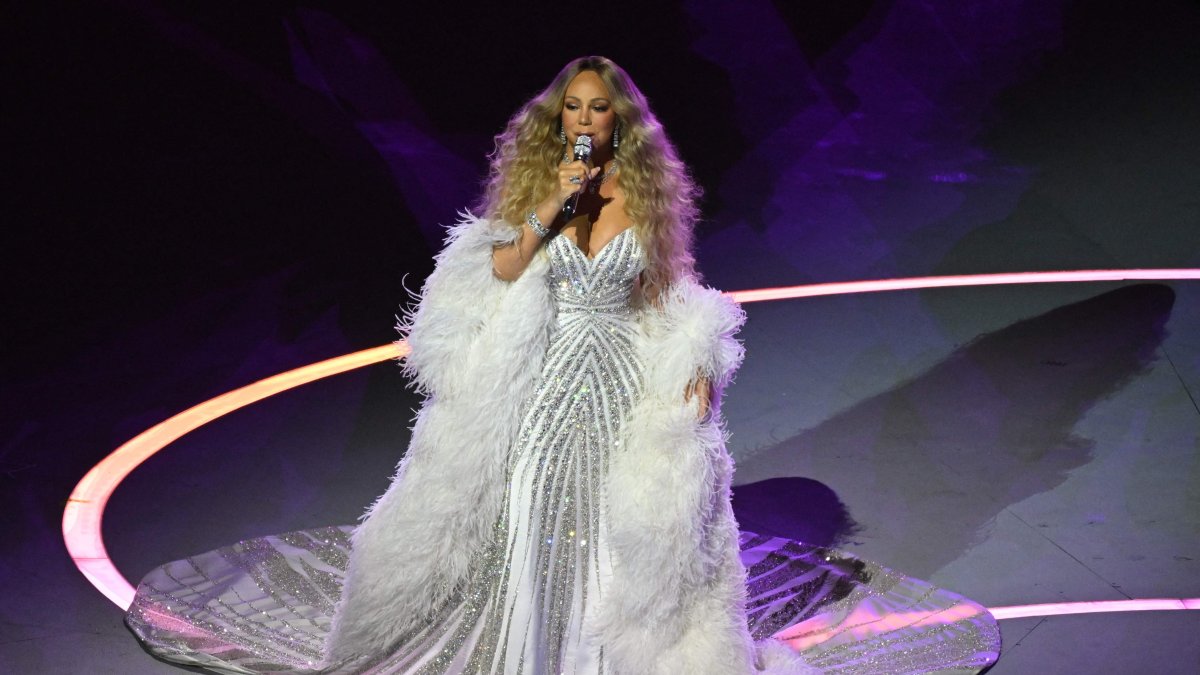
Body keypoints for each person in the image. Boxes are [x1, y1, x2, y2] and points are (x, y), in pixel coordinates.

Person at [126, 57, 1001, 674]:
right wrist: (555, 204)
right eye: (572, 109)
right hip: (544, 378)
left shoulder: (650, 199)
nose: (585, 120)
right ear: (559, 117)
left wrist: (695, 362)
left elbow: (672, 292)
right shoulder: (539, 188)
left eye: (598, 110)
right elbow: (501, 267)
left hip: (623, 378)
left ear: (621, 119)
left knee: (614, 524)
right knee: (541, 505)